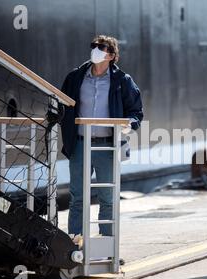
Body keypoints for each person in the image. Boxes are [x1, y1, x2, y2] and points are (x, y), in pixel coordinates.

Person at [60, 35, 144, 251]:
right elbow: (61, 104)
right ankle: (74, 249)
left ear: (112, 55)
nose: (96, 50)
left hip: (106, 145)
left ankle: (106, 249)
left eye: (101, 47)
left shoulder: (122, 81)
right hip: (79, 145)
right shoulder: (76, 77)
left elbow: (136, 111)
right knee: (78, 197)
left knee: (107, 198)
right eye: (94, 46)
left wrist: (129, 125)